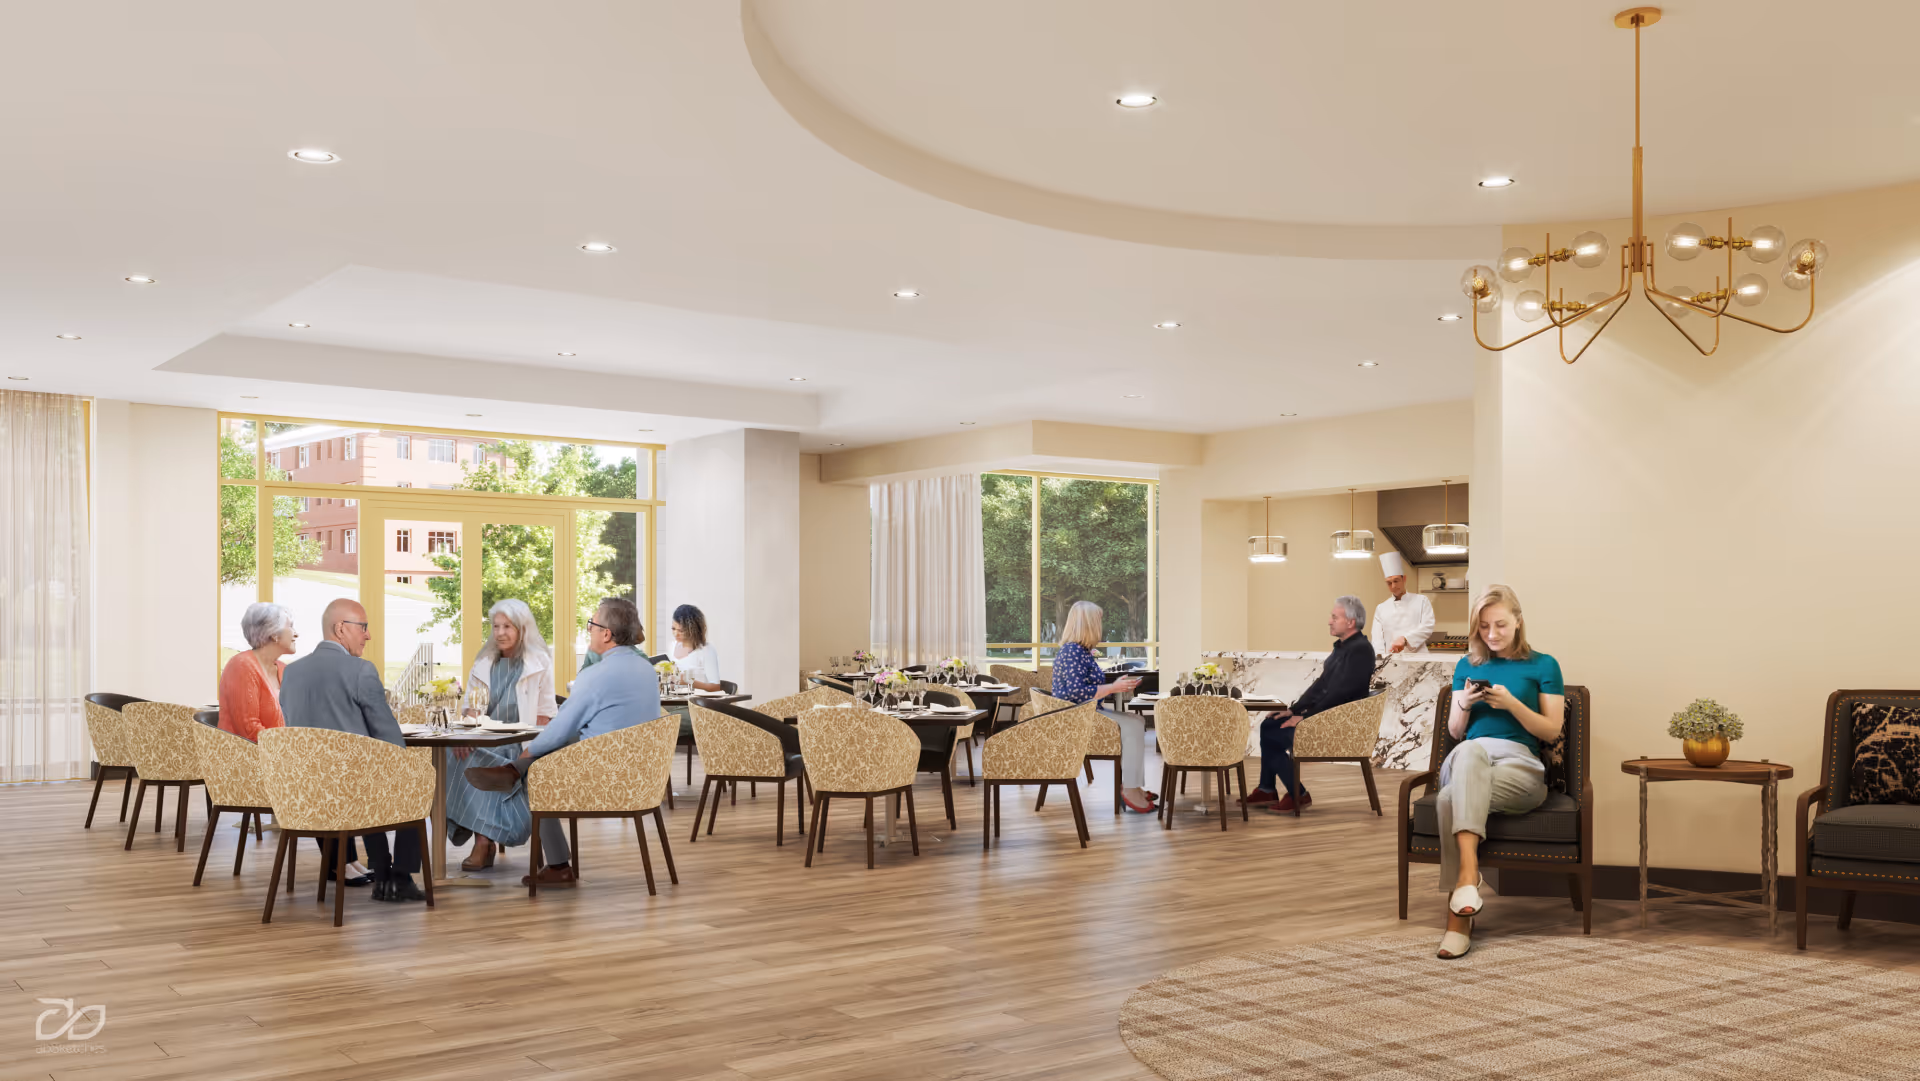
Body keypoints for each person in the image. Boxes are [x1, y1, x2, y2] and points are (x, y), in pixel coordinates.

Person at [461, 597, 664, 888]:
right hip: (642, 776)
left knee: (540, 769)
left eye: (592, 625)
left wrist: (529, 752)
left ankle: (557, 864)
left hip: (602, 774)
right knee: (557, 744)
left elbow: (560, 727)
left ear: (606, 634)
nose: (589, 630)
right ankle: (514, 771)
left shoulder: (597, 675)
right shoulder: (647, 669)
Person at [1434, 584, 1562, 960]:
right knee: (1470, 749)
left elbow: (1551, 730)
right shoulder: (1466, 666)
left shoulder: (1544, 664)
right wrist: (1466, 704)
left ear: (1518, 622)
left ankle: (1459, 913)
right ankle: (1467, 882)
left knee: (1447, 799)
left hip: (1520, 767)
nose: (1492, 635)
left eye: (1501, 625)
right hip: (1469, 758)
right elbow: (1456, 733)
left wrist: (1511, 705)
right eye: (1484, 627)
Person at [278, 598, 424, 902]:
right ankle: (398, 877)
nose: (368, 635)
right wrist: (409, 766)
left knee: (365, 776)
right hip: (355, 792)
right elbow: (389, 739)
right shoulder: (361, 670)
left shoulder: (290, 674)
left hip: (305, 791)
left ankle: (383, 872)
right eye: (364, 627)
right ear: (340, 629)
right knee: (416, 779)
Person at [452, 599, 559, 870]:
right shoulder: (484, 662)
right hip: (485, 740)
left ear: (522, 629)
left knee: (488, 763)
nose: (500, 633)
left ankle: (482, 843)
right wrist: (466, 735)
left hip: (519, 745)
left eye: (507, 626)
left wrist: (532, 745)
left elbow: (546, 714)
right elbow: (471, 709)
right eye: (496, 626)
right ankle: (483, 840)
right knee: (453, 754)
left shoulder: (540, 662)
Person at [1243, 596, 1376, 814]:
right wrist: (1293, 710)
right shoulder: (1344, 648)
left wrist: (1305, 718)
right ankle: (1267, 789)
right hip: (1327, 718)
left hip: (1340, 727)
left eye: (1335, 617)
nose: (1329, 621)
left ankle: (1298, 794)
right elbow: (1322, 685)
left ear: (1350, 622)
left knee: (1273, 735)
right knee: (1269, 725)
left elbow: (1340, 693)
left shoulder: (1360, 649)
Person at [1049, 601, 1150, 813]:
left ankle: (1134, 785)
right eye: (1098, 621)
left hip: (1085, 713)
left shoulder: (1079, 651)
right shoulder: (1072, 652)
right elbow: (1076, 692)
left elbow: (1085, 687)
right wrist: (1113, 687)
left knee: (1138, 721)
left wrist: (1115, 687)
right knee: (1133, 726)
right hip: (1076, 717)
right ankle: (1130, 789)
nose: (1101, 626)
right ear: (1088, 624)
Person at [218, 602, 295, 742]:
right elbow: (249, 729)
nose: (296, 634)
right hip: (246, 757)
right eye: (290, 626)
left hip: (278, 754)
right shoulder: (242, 666)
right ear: (274, 634)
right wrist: (287, 748)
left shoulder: (284, 669)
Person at [1370, 551, 1435, 655]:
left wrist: (1405, 639)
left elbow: (1427, 627)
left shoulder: (1422, 601)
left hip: (1418, 658)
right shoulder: (1381, 608)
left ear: (1404, 579)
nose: (1393, 586)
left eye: (1396, 581)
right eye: (1389, 583)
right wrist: (1379, 659)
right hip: (1391, 660)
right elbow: (1377, 640)